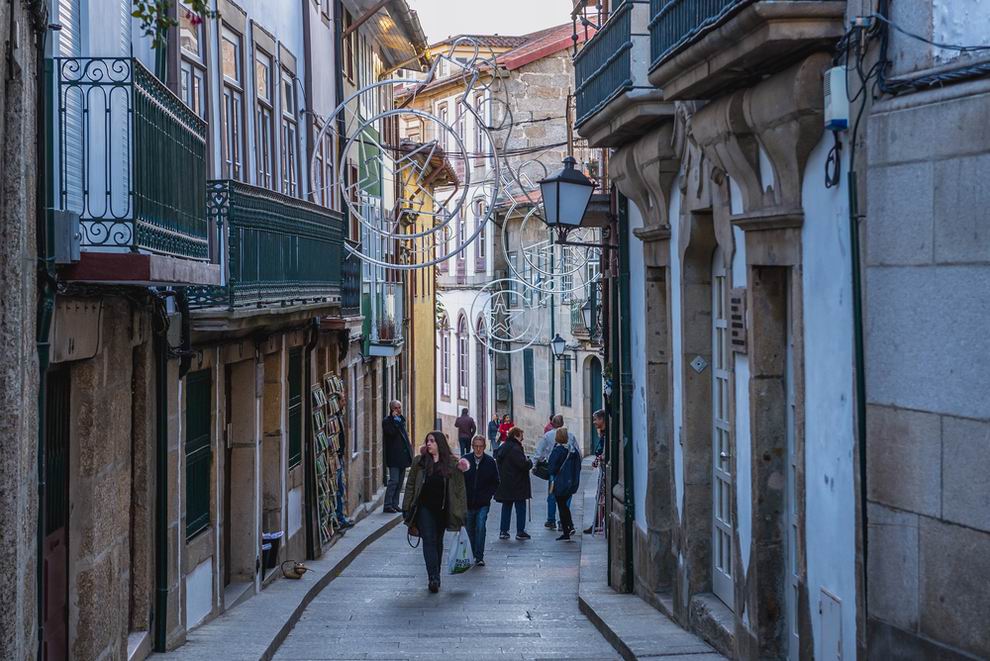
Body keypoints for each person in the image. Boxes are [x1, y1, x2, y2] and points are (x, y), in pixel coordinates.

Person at [401, 431, 468, 593]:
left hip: (443, 510)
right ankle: (433, 578)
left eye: (432, 441)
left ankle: (436, 574)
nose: (428, 444)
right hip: (424, 508)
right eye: (427, 441)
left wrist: (461, 513)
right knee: (429, 540)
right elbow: (410, 486)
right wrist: (407, 507)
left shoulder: (452, 464)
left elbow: (460, 491)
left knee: (438, 542)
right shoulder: (420, 462)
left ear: (440, 444)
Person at [534, 414, 581, 530]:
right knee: (567, 494)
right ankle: (563, 521)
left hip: (554, 470)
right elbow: (578, 452)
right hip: (568, 469)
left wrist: (535, 464)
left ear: (552, 424)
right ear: (563, 423)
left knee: (552, 494)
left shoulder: (548, 436)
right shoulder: (570, 435)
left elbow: (539, 452)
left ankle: (551, 520)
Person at [464, 435, 499, 566]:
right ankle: (471, 553)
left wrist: (488, 495)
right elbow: (459, 481)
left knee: (480, 527)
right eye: (476, 446)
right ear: (472, 446)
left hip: (483, 503)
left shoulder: (490, 462)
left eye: (481, 446)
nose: (478, 449)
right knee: (469, 529)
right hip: (468, 502)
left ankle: (479, 556)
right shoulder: (465, 460)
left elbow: (496, 481)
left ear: (484, 447)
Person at [494, 426, 532, 540]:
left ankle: (503, 530)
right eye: (521, 435)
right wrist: (529, 462)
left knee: (507, 506)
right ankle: (520, 531)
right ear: (516, 435)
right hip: (517, 483)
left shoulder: (504, 446)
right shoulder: (515, 448)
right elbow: (523, 465)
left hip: (506, 483)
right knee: (520, 507)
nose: (523, 438)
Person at [548, 426, 581, 540]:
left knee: (562, 506)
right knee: (564, 506)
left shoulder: (558, 451)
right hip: (570, 482)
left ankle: (567, 530)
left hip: (560, 482)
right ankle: (569, 527)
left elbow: (551, 468)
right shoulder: (572, 450)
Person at [382, 400, 413, 513]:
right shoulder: (387, 421)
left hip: (403, 457)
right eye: (396, 408)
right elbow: (391, 433)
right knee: (393, 481)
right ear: (392, 409)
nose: (399, 410)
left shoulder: (400, 420)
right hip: (394, 457)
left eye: (400, 407)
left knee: (400, 482)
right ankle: (387, 504)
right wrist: (394, 421)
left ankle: (395, 504)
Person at [585, 409, 608, 535]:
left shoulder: (606, 435)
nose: (594, 422)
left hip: (605, 472)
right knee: (600, 497)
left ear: (602, 419)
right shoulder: (603, 434)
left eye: (596, 419)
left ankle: (598, 523)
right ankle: (598, 522)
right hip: (602, 471)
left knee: (602, 497)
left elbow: (605, 453)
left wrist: (601, 457)